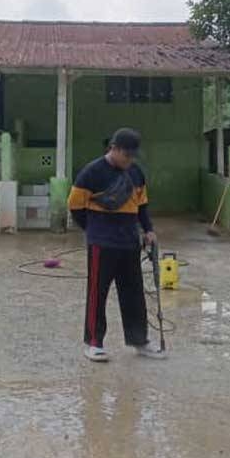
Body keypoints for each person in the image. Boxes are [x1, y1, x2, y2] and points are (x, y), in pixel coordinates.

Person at [67, 128, 165, 362]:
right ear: (114, 149)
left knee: (133, 293)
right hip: (102, 243)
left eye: (133, 156)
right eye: (126, 155)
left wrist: (148, 230)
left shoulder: (136, 173)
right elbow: (75, 206)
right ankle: (94, 343)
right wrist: (94, 230)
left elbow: (142, 205)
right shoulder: (92, 172)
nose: (129, 160)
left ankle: (139, 340)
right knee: (97, 292)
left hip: (130, 242)